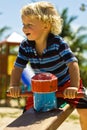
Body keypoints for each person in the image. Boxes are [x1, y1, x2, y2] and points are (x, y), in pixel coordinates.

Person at [9, 1, 87, 130]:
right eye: (23, 24)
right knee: (28, 114)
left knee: (85, 111)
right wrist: (14, 85)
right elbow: (18, 67)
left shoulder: (58, 43)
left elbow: (73, 64)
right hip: (42, 86)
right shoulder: (25, 45)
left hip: (65, 83)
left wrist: (73, 87)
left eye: (29, 24)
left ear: (46, 25)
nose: (24, 28)